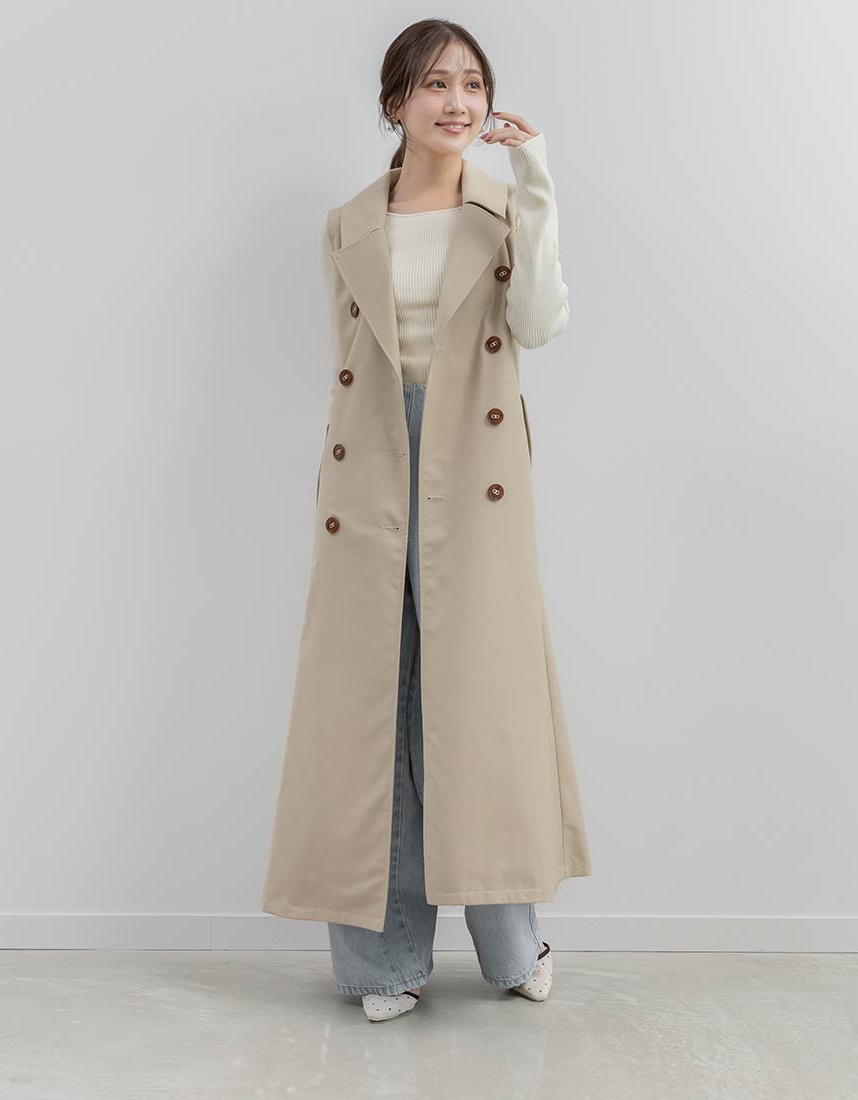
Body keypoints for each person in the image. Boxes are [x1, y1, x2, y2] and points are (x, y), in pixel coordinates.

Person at [321, 20, 571, 1022]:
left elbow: (538, 322)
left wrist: (536, 179)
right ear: (395, 104)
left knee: (485, 708)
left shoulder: (505, 208)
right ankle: (385, 961)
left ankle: (510, 945)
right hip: (373, 464)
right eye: (433, 84)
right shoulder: (349, 222)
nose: (457, 101)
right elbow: (343, 363)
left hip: (477, 465)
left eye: (471, 82)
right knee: (374, 709)